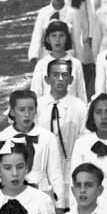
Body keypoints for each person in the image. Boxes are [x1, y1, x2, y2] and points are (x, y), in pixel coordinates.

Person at [0, 90, 67, 210]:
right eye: (21, 110)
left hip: (40, 197)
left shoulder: (47, 138)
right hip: (11, 198)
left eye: (31, 109)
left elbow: (56, 174)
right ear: (12, 112)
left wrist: (60, 205)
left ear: (36, 110)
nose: (27, 114)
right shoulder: (2, 138)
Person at [36, 59, 88, 205]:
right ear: (47, 79)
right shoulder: (37, 106)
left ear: (71, 79)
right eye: (55, 75)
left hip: (71, 166)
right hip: (43, 168)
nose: (60, 79)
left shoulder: (79, 107)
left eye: (64, 75)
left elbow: (84, 139)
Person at [30, 20, 87, 102]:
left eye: (61, 36)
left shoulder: (75, 64)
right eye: (53, 36)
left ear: (67, 38)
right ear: (48, 39)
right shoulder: (41, 65)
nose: (57, 40)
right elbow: (36, 93)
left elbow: (81, 92)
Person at [60, 0, 98, 75]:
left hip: (84, 35)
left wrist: (91, 35)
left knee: (85, 65)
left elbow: (91, 13)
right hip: (65, 35)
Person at [28, 0, 76, 65]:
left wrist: (80, 58)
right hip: (47, 55)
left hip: (67, 55)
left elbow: (76, 37)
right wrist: (34, 55)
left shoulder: (72, 13)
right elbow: (37, 35)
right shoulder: (44, 12)